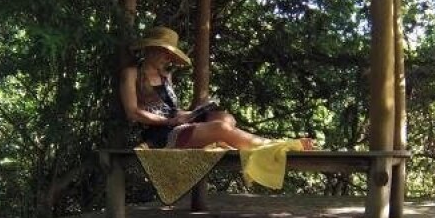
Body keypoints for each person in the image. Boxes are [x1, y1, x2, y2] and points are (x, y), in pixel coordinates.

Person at [120, 26, 312, 150]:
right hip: (160, 134)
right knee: (221, 127)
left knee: (226, 118)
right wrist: (169, 121)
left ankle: (220, 140)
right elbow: (132, 112)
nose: (168, 59)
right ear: (151, 49)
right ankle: (279, 146)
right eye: (165, 53)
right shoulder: (132, 73)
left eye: (170, 55)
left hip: (176, 123)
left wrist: (190, 114)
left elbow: (172, 110)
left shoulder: (166, 75)